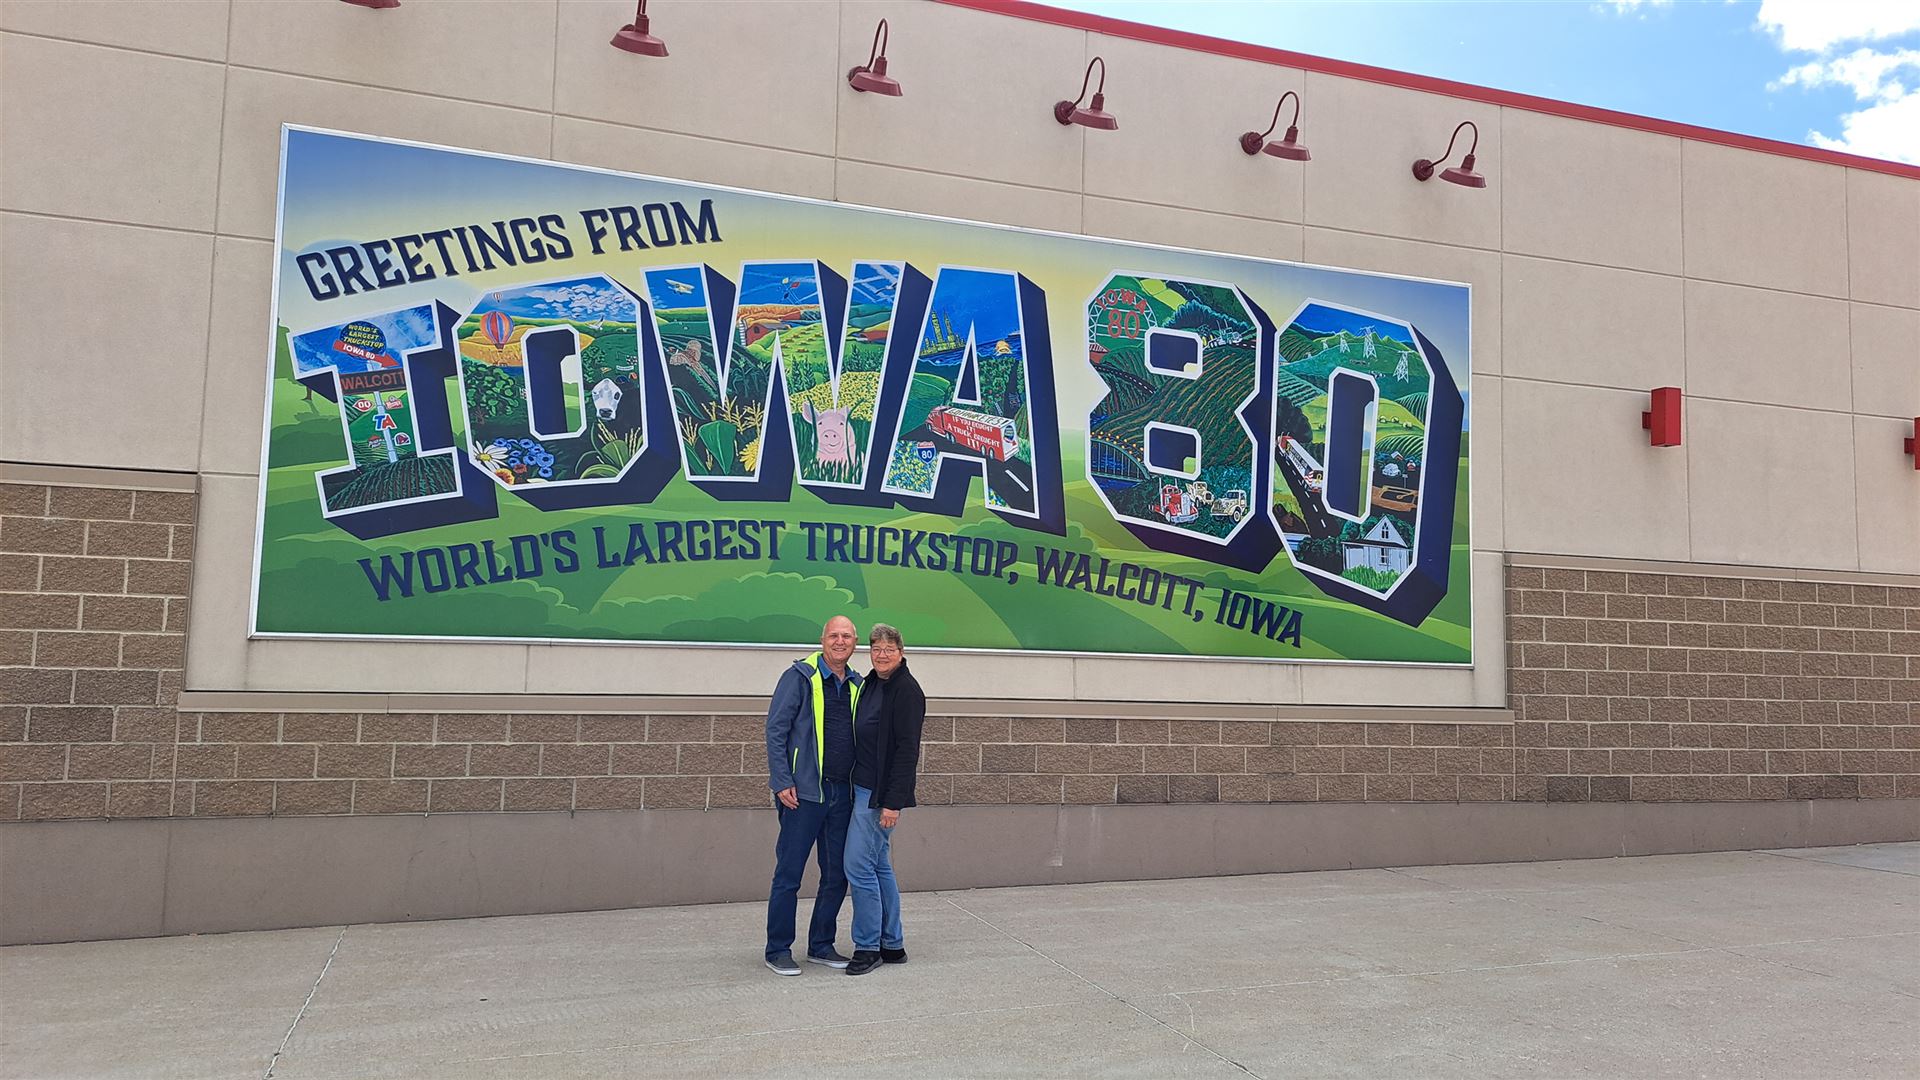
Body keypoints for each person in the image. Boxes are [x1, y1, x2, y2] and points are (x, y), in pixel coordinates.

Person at [763, 615, 862, 976]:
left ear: (855, 642)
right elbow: (776, 730)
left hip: (842, 794)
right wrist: (781, 780)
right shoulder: (799, 677)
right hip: (802, 794)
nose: (840, 641)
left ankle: (821, 945)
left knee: (836, 875)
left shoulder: (857, 684)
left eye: (847, 636)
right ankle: (777, 949)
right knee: (789, 874)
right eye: (834, 635)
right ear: (822, 640)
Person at [842, 622, 926, 976]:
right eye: (876, 649)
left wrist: (893, 803)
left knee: (857, 866)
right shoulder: (872, 683)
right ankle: (892, 943)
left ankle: (867, 946)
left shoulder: (907, 691)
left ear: (901, 653)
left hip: (878, 796)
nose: (882, 654)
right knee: (878, 865)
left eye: (889, 649)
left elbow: (907, 751)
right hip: (862, 787)